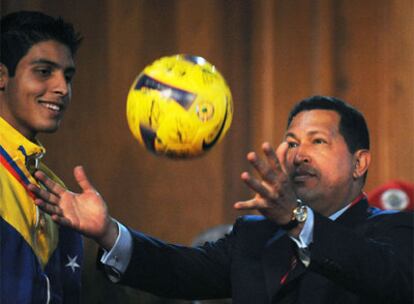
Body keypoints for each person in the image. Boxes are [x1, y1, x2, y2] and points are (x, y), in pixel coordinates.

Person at [29, 96, 413, 303]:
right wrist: (108, 233)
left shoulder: (394, 230)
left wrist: (296, 219)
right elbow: (180, 271)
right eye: (292, 142)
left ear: (360, 162)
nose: (298, 154)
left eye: (318, 141)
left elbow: (382, 276)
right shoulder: (255, 235)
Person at [0, 11, 83, 303]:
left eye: (68, 76)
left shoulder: (56, 191)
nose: (62, 88)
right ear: (1, 76)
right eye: (44, 71)